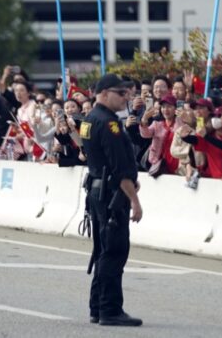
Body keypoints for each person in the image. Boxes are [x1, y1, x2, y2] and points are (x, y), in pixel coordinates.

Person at [81, 74, 143, 327]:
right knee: (114, 252)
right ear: (105, 92)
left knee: (103, 250)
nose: (125, 97)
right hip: (110, 195)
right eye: (121, 93)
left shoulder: (90, 119)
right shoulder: (109, 124)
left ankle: (97, 307)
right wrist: (135, 200)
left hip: (97, 192)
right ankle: (110, 309)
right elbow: (120, 170)